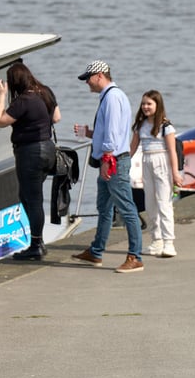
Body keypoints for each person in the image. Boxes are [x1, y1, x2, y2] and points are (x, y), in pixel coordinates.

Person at [71, 60, 144, 273]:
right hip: (113, 159)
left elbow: (112, 134)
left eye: (88, 78)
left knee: (127, 208)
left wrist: (106, 160)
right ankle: (96, 251)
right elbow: (112, 131)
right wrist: (89, 133)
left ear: (100, 75)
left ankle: (135, 256)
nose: (87, 83)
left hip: (113, 161)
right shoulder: (113, 96)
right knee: (104, 208)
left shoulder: (111, 98)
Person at [0, 62, 61, 260]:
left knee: (32, 199)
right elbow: (57, 117)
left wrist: (1, 96)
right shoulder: (45, 91)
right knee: (28, 196)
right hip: (47, 149)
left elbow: (0, 121)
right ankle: (37, 241)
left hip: (30, 153)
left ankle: (36, 245)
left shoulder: (23, 100)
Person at [130, 90, 182, 257]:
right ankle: (156, 240)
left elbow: (172, 151)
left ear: (157, 105)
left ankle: (169, 242)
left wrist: (175, 173)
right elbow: (132, 148)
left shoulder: (166, 126)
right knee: (150, 202)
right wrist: (123, 163)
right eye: (143, 103)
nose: (145, 107)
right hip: (146, 161)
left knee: (164, 202)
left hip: (162, 162)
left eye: (149, 104)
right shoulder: (140, 125)